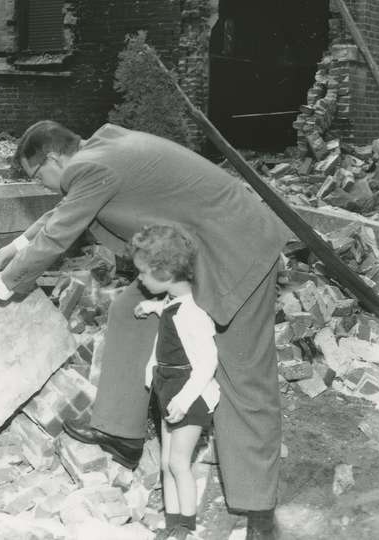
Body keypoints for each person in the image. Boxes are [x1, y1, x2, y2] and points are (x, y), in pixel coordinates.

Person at [0, 120, 289, 540]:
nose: (44, 186)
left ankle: (258, 510)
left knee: (243, 376)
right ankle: (122, 432)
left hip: (236, 251)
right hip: (193, 251)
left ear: (54, 159)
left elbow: (58, 234)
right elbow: (60, 213)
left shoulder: (93, 167)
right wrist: (6, 251)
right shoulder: (100, 152)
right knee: (128, 311)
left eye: (37, 175)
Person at [132, 225, 219, 540]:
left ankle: (186, 525)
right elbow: (172, 312)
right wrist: (154, 307)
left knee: (179, 462)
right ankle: (173, 524)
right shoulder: (174, 300)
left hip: (189, 394)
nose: (140, 279)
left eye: (143, 273)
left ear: (165, 273)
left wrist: (183, 401)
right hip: (169, 387)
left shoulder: (195, 313)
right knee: (167, 462)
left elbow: (208, 361)